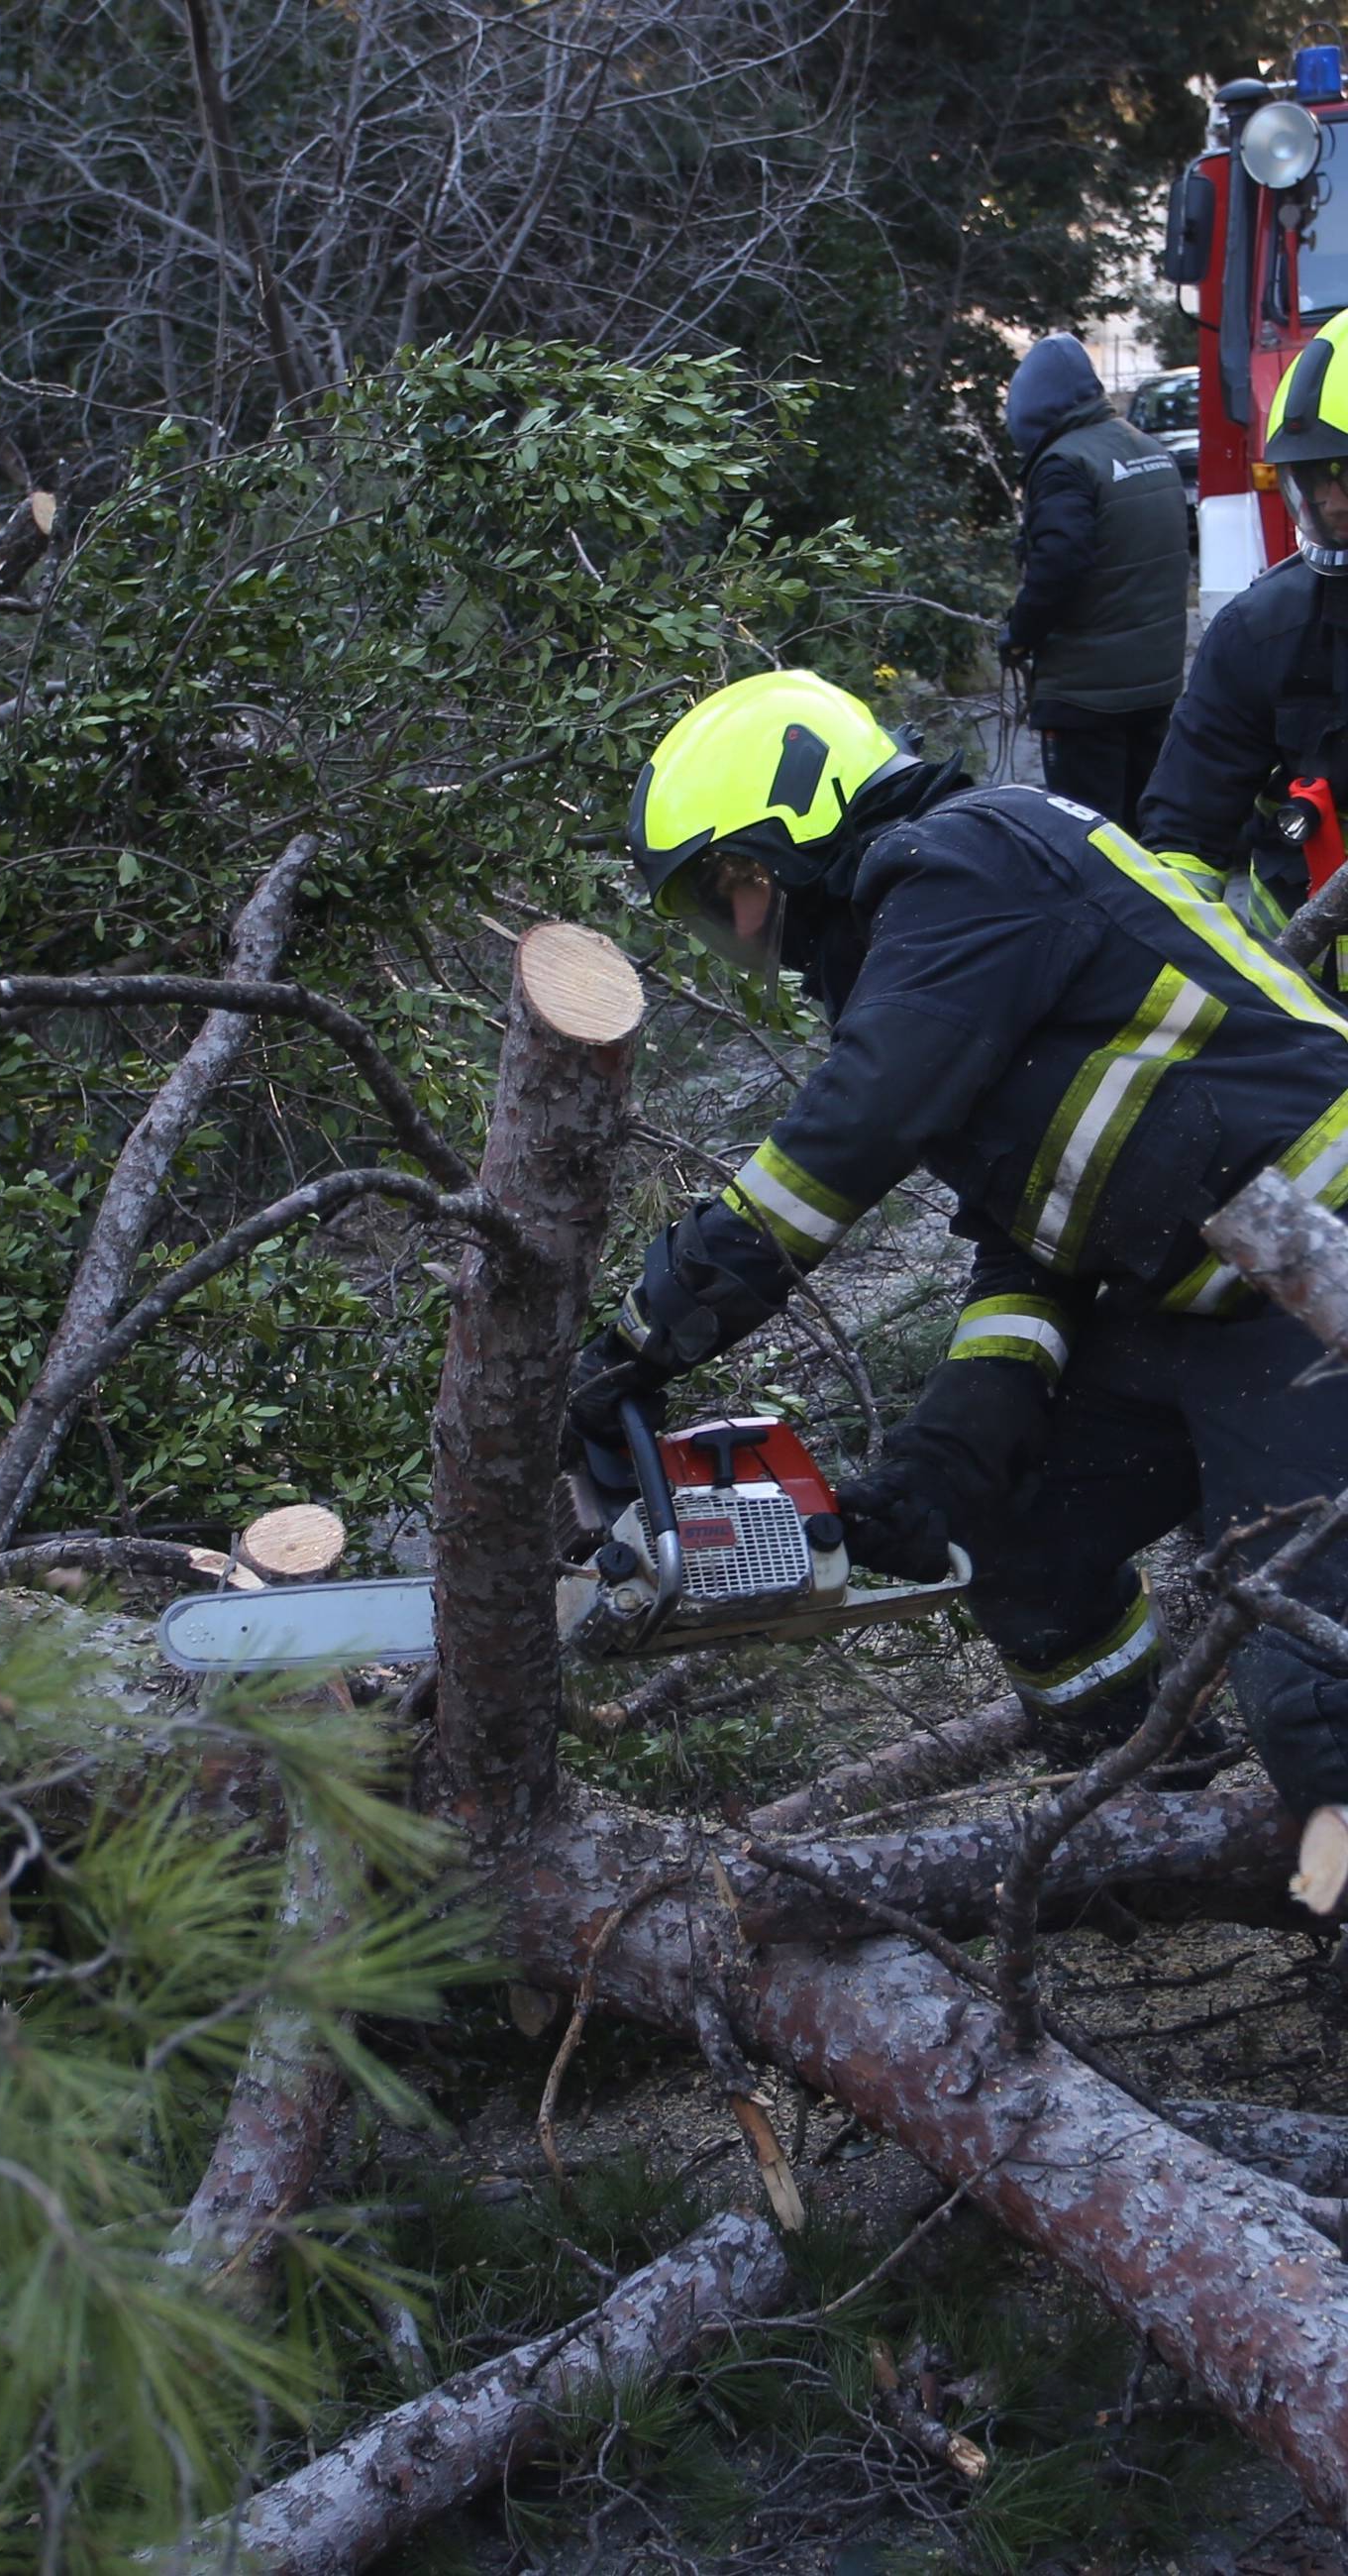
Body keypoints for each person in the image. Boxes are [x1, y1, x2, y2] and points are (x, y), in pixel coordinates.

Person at [568, 667, 1348, 1814]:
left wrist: (665, 1316)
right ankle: (1152, 1807)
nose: (738, 925)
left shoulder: (968, 857)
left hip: (1315, 1257)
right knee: (1017, 1540)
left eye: (730, 886)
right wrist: (958, 1436)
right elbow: (1024, 1233)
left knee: (1313, 1678)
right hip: (1195, 1282)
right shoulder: (919, 934)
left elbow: (861, 1117)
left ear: (795, 831)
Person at [1139, 310, 1348, 974]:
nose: (1333, 503)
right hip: (1305, 999)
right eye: (1316, 480)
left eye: (1346, 473)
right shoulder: (1261, 632)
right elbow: (1184, 835)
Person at [1000, 332, 1190, 830]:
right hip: (1156, 684)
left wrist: (1018, 635)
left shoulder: (1066, 464)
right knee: (1148, 831)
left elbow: (1057, 567)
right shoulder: (1146, 448)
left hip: (1088, 697)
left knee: (1091, 840)